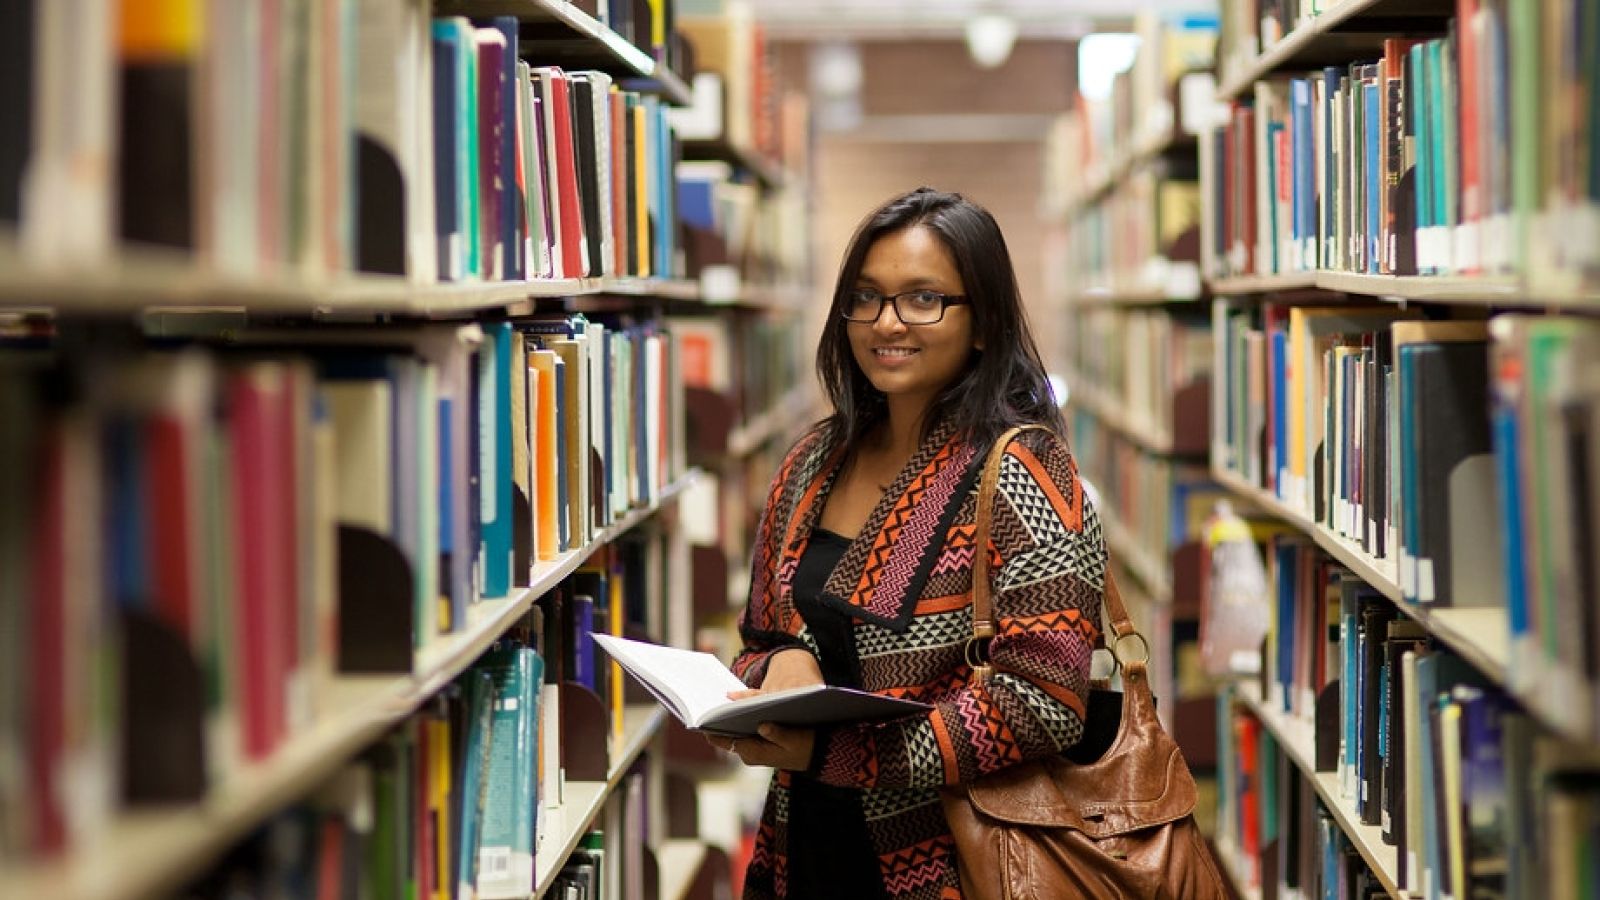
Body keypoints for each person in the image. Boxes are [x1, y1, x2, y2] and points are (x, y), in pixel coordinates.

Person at [708, 187, 1108, 899]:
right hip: (801, 849)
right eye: (866, 297)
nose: (886, 323)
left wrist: (841, 754)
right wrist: (783, 662)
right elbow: (757, 637)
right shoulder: (810, 464)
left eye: (923, 299)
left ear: (981, 322)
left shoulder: (1023, 471)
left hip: (953, 864)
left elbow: (1045, 698)